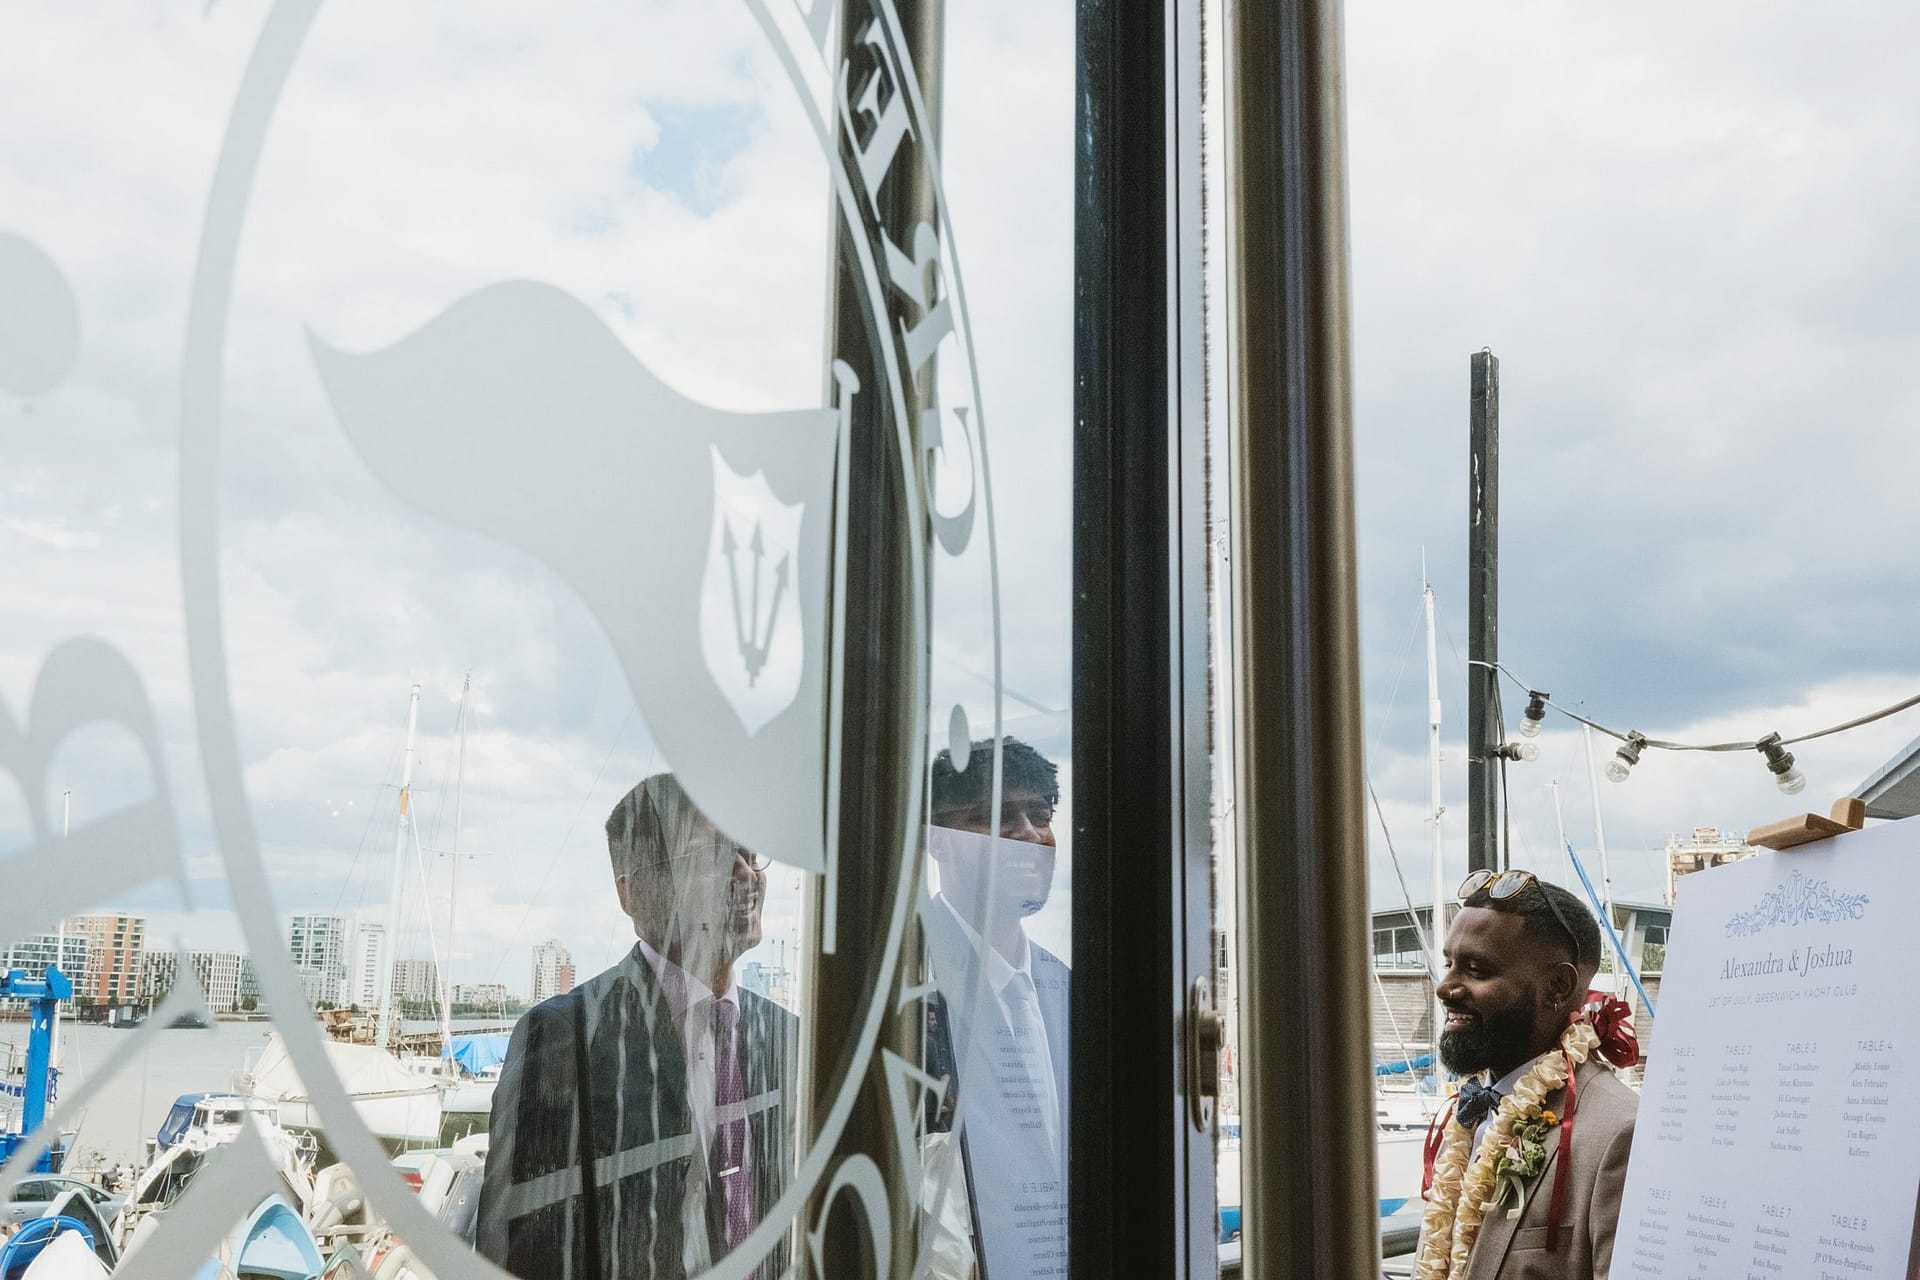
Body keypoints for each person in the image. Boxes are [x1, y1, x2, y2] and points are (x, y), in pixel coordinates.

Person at [479, 773, 794, 1279]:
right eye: (710, 856)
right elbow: (515, 1253)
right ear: (634, 893)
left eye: (750, 852)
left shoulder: (788, 1038)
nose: (744, 873)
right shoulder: (565, 1039)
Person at [1414, 870, 1640, 1280]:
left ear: (1557, 986)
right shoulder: (1462, 1120)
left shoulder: (1619, 1135)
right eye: (1449, 963)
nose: (1445, 987)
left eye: (1476, 969)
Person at [920, 736, 1069, 1279]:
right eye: (996, 817)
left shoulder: (1065, 990)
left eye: (1040, 813)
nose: (1028, 833)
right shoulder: (904, 987)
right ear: (936, 841)